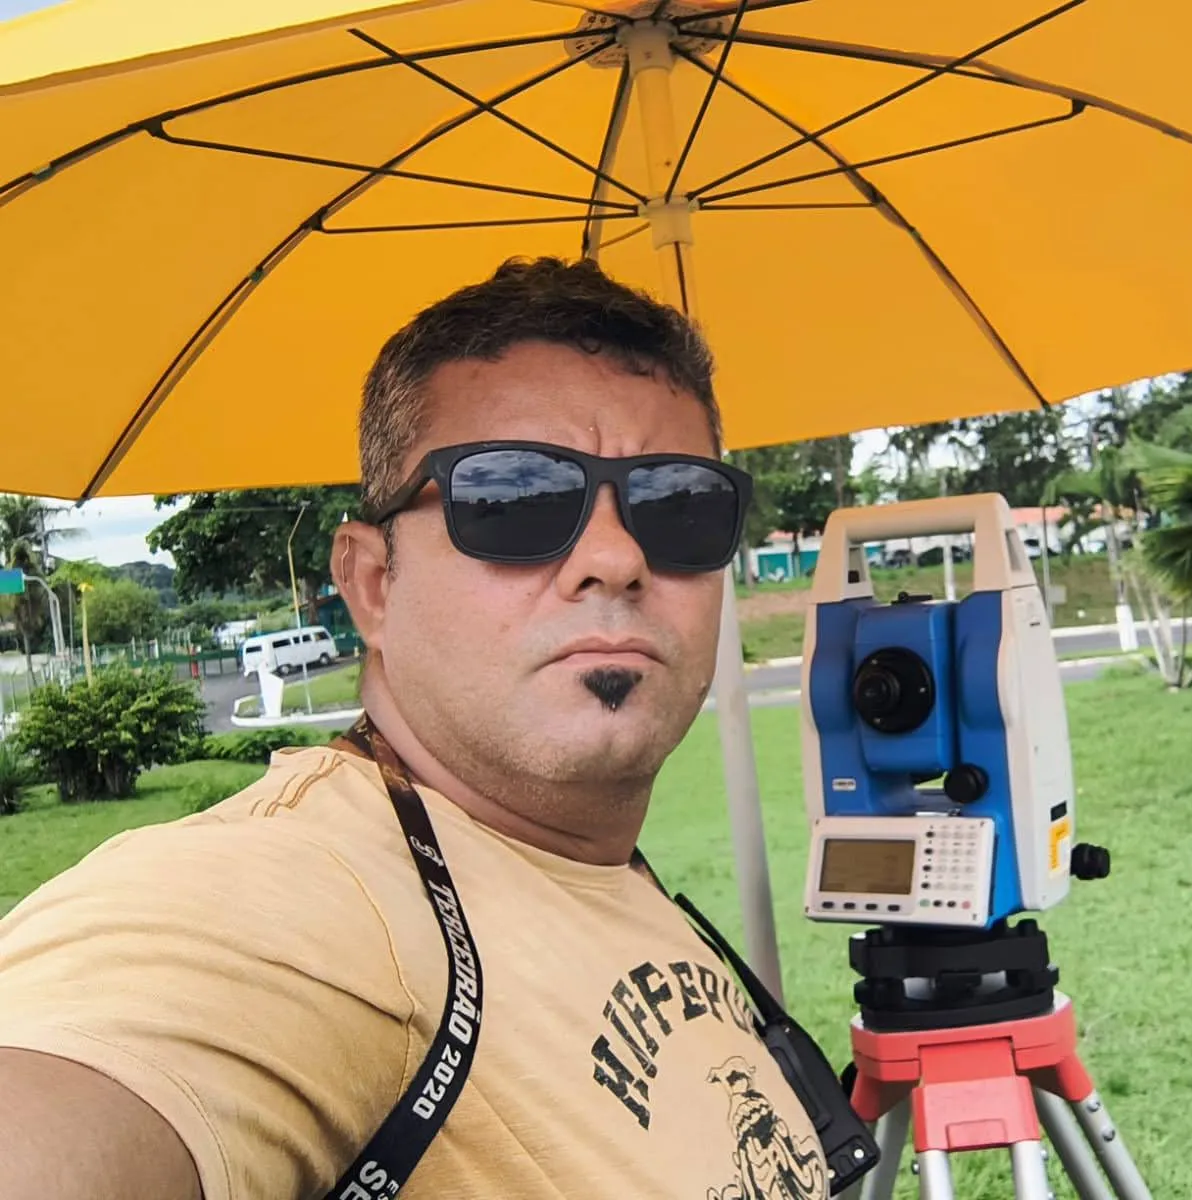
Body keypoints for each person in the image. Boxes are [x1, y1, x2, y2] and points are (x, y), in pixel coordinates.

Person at [0, 257, 828, 1200]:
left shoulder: (592, 861)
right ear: (372, 584)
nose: (615, 555)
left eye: (679, 504)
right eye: (516, 499)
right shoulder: (308, 901)